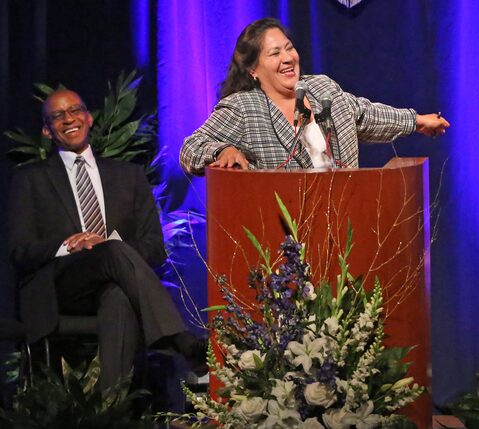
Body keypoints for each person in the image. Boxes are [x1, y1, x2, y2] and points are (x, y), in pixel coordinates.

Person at [8, 89, 205, 389]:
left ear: (88, 118)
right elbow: (19, 251)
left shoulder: (129, 175)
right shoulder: (29, 179)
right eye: (58, 116)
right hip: (62, 286)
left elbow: (154, 247)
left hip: (118, 282)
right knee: (112, 251)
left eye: (75, 110)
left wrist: (110, 250)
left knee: (117, 291)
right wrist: (68, 245)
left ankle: (110, 407)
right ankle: (180, 339)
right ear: (47, 130)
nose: (69, 118)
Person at [180, 18, 450, 174]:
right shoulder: (244, 108)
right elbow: (191, 148)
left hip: (346, 223)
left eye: (289, 48)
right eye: (275, 54)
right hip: (288, 244)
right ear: (253, 70)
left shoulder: (322, 88)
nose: (288, 58)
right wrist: (223, 149)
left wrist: (416, 121)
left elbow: (365, 115)